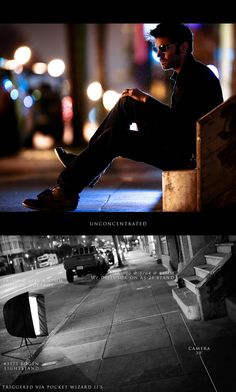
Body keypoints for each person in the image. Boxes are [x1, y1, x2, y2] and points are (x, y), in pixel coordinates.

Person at [23, 23, 223, 211]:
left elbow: (183, 125)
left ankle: (66, 192)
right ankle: (85, 161)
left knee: (116, 136)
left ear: (183, 47)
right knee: (128, 102)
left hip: (185, 156)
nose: (159, 54)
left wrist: (147, 101)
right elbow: (178, 122)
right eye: (157, 49)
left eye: (164, 48)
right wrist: (143, 101)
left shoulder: (197, 78)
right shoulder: (189, 75)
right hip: (179, 145)